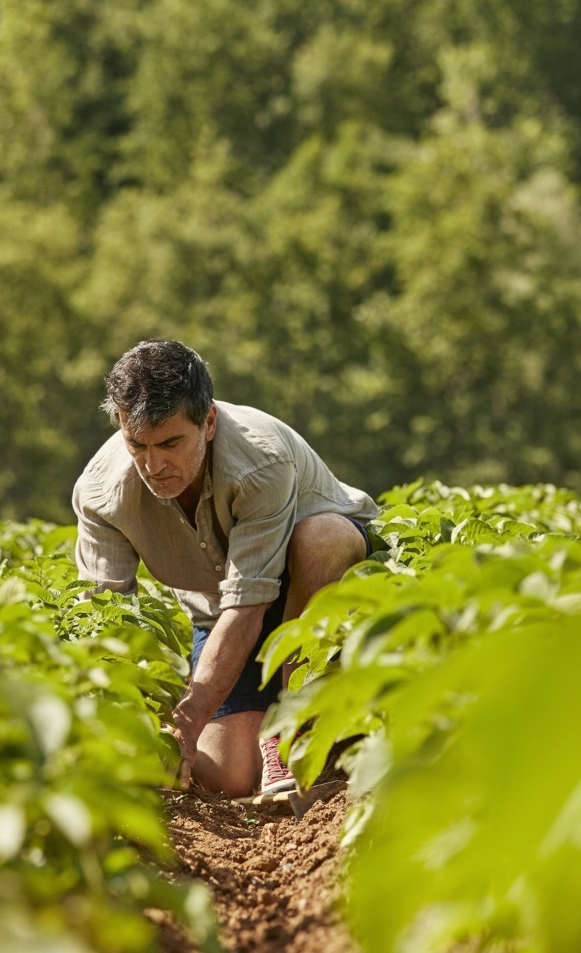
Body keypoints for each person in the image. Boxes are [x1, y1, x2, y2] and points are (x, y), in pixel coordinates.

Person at [72, 339, 378, 797]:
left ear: (208, 421)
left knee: (322, 539)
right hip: (221, 610)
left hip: (315, 588)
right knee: (228, 776)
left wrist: (190, 718)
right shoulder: (102, 493)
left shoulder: (260, 461)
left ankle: (295, 725)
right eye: (138, 444)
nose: (154, 465)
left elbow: (251, 603)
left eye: (171, 443)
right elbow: (106, 616)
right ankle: (279, 733)